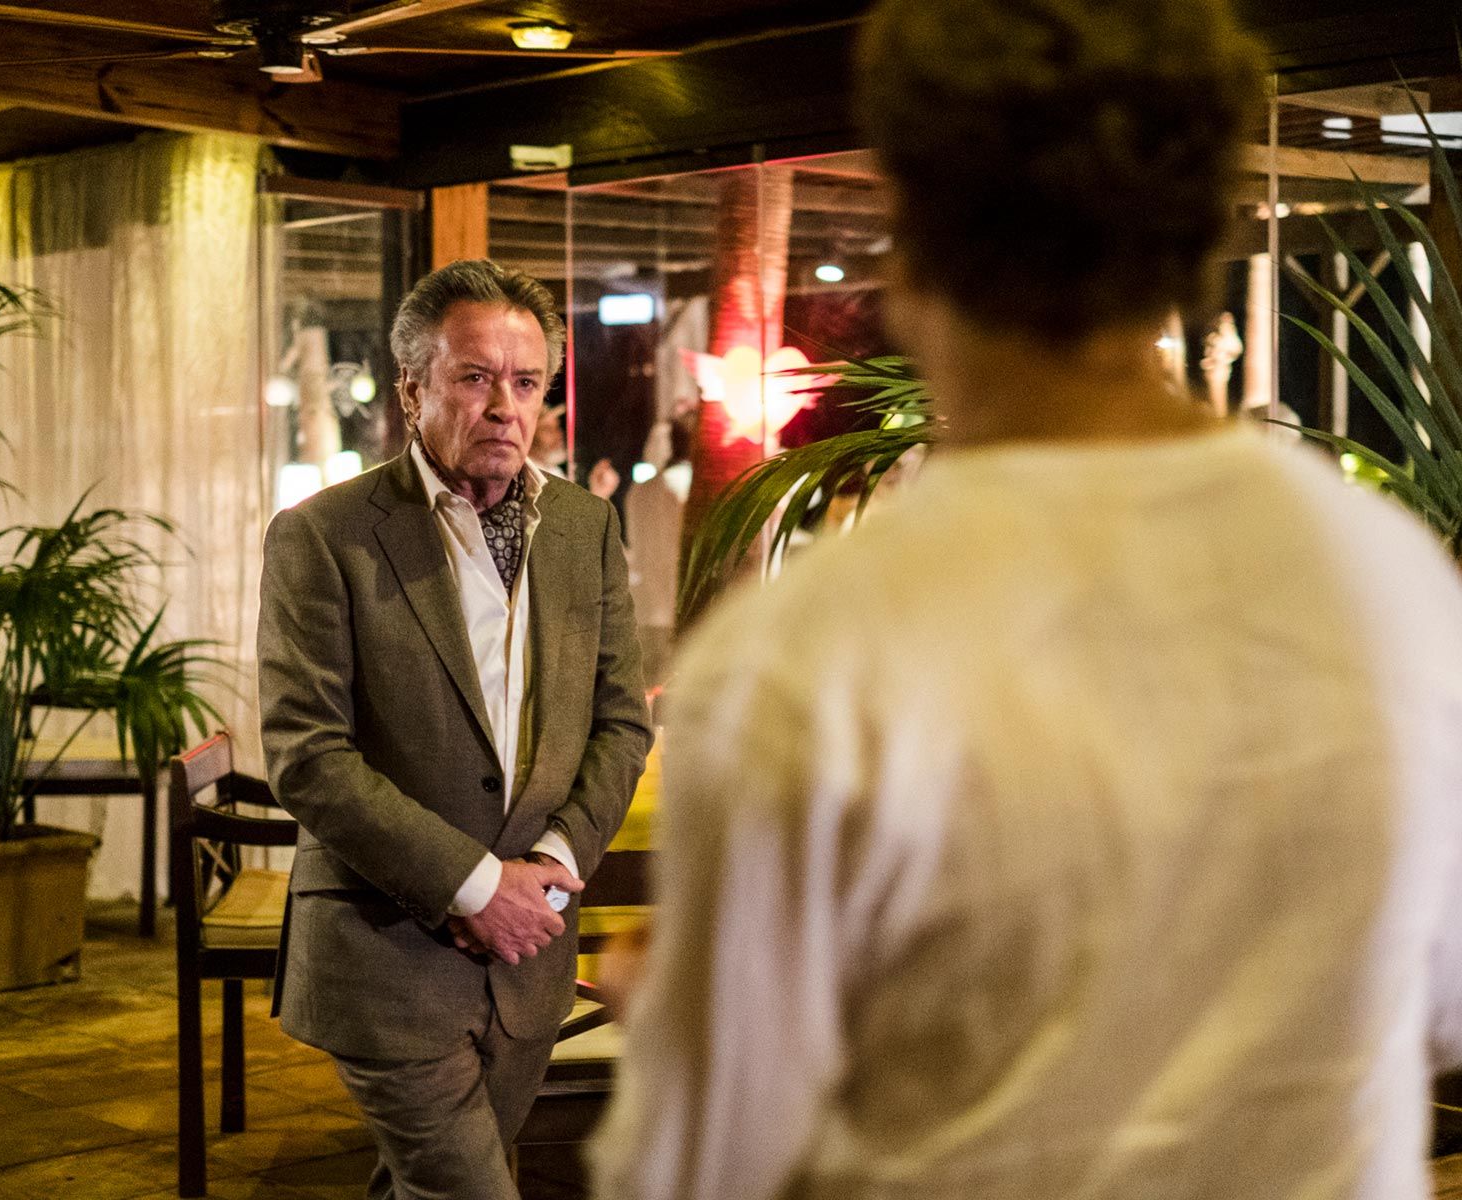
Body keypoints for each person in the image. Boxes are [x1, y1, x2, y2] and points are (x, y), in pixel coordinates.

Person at [589, 2, 1462, 1199]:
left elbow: (706, 1161)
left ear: (915, 252)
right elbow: (1437, 1001)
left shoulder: (814, 652)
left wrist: (666, 1003)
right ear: (1193, 239)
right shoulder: (1394, 579)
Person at [257, 258, 652, 1200]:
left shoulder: (586, 527)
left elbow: (621, 722)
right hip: (385, 954)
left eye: (527, 382)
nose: (505, 408)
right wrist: (474, 886)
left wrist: (551, 864)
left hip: (529, 955)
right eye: (475, 378)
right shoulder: (324, 535)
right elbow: (307, 756)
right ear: (411, 390)